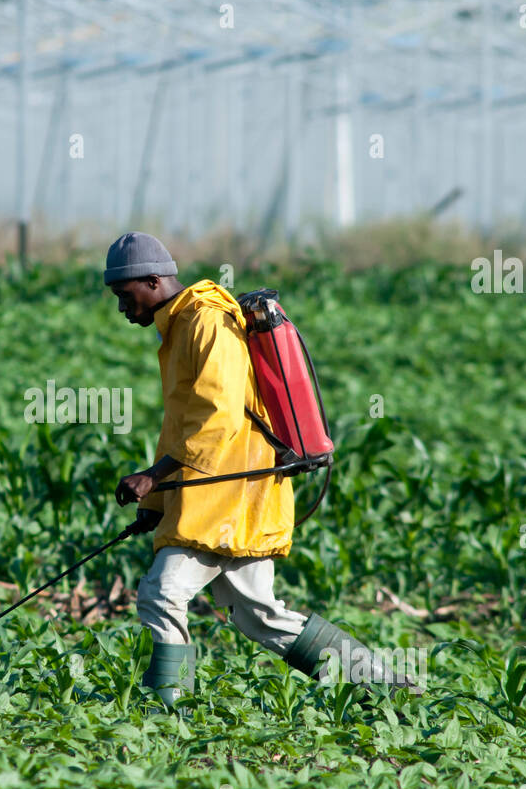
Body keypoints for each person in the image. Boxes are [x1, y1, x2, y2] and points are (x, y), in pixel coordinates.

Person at [106, 231, 411, 707]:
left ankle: (168, 709)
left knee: (161, 594)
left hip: (226, 496)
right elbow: (182, 425)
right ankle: (383, 684)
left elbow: (217, 416)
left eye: (125, 296)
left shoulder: (205, 321)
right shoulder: (181, 324)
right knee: (259, 616)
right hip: (228, 493)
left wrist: (154, 474)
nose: (123, 309)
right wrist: (157, 503)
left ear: (152, 280)